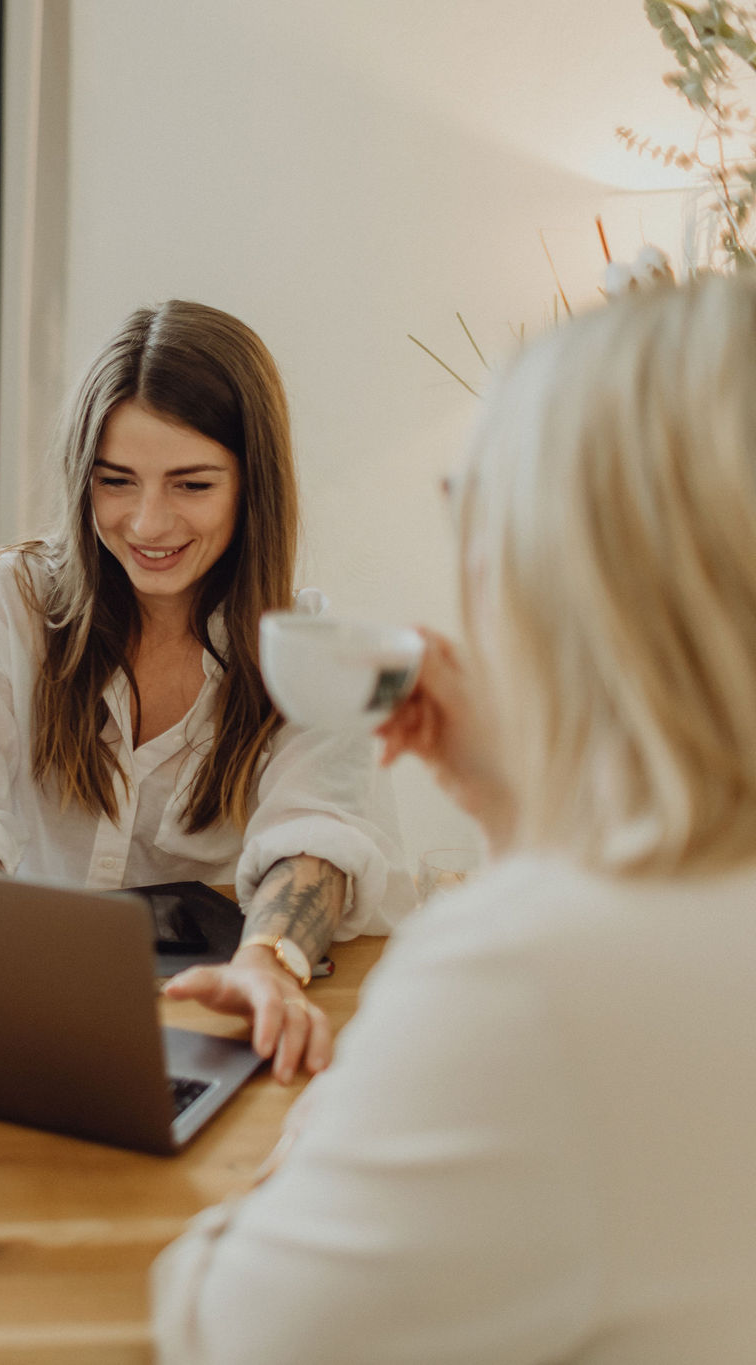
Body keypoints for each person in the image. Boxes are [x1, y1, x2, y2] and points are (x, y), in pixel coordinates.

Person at [151, 276, 756, 1361]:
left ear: (550, 567)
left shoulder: (525, 981)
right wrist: (522, 814)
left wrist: (319, 1132)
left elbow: (228, 1330)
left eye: (468, 507)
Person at [0, 301, 412, 1081]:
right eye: (116, 481)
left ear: (252, 485)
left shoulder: (310, 650)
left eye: (192, 484)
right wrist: (0, 965)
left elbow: (317, 833)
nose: (148, 523)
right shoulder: (4, 604)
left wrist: (267, 962)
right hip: (14, 1002)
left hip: (201, 1017)